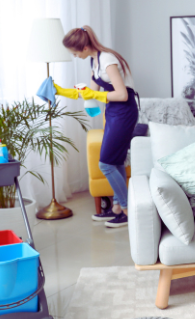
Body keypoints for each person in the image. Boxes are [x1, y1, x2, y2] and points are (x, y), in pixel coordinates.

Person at [55, 25, 137, 228]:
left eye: (74, 53)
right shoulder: (95, 60)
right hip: (113, 111)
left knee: (106, 164)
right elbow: (88, 92)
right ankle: (117, 208)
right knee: (115, 161)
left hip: (125, 111)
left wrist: (96, 96)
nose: (75, 56)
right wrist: (59, 91)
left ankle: (127, 211)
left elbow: (122, 94)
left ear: (83, 47)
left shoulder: (108, 60)